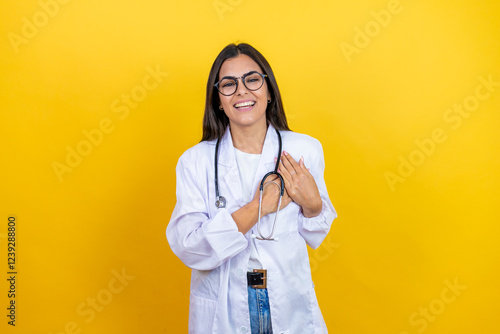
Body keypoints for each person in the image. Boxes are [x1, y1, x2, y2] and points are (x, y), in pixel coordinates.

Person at [166, 42, 337, 334]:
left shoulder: (304, 149)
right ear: (218, 99)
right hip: (224, 304)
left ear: (268, 91)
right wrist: (262, 205)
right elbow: (189, 247)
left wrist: (313, 205)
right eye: (229, 84)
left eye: (252, 80)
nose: (242, 91)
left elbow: (315, 232)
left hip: (287, 297)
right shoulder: (195, 161)